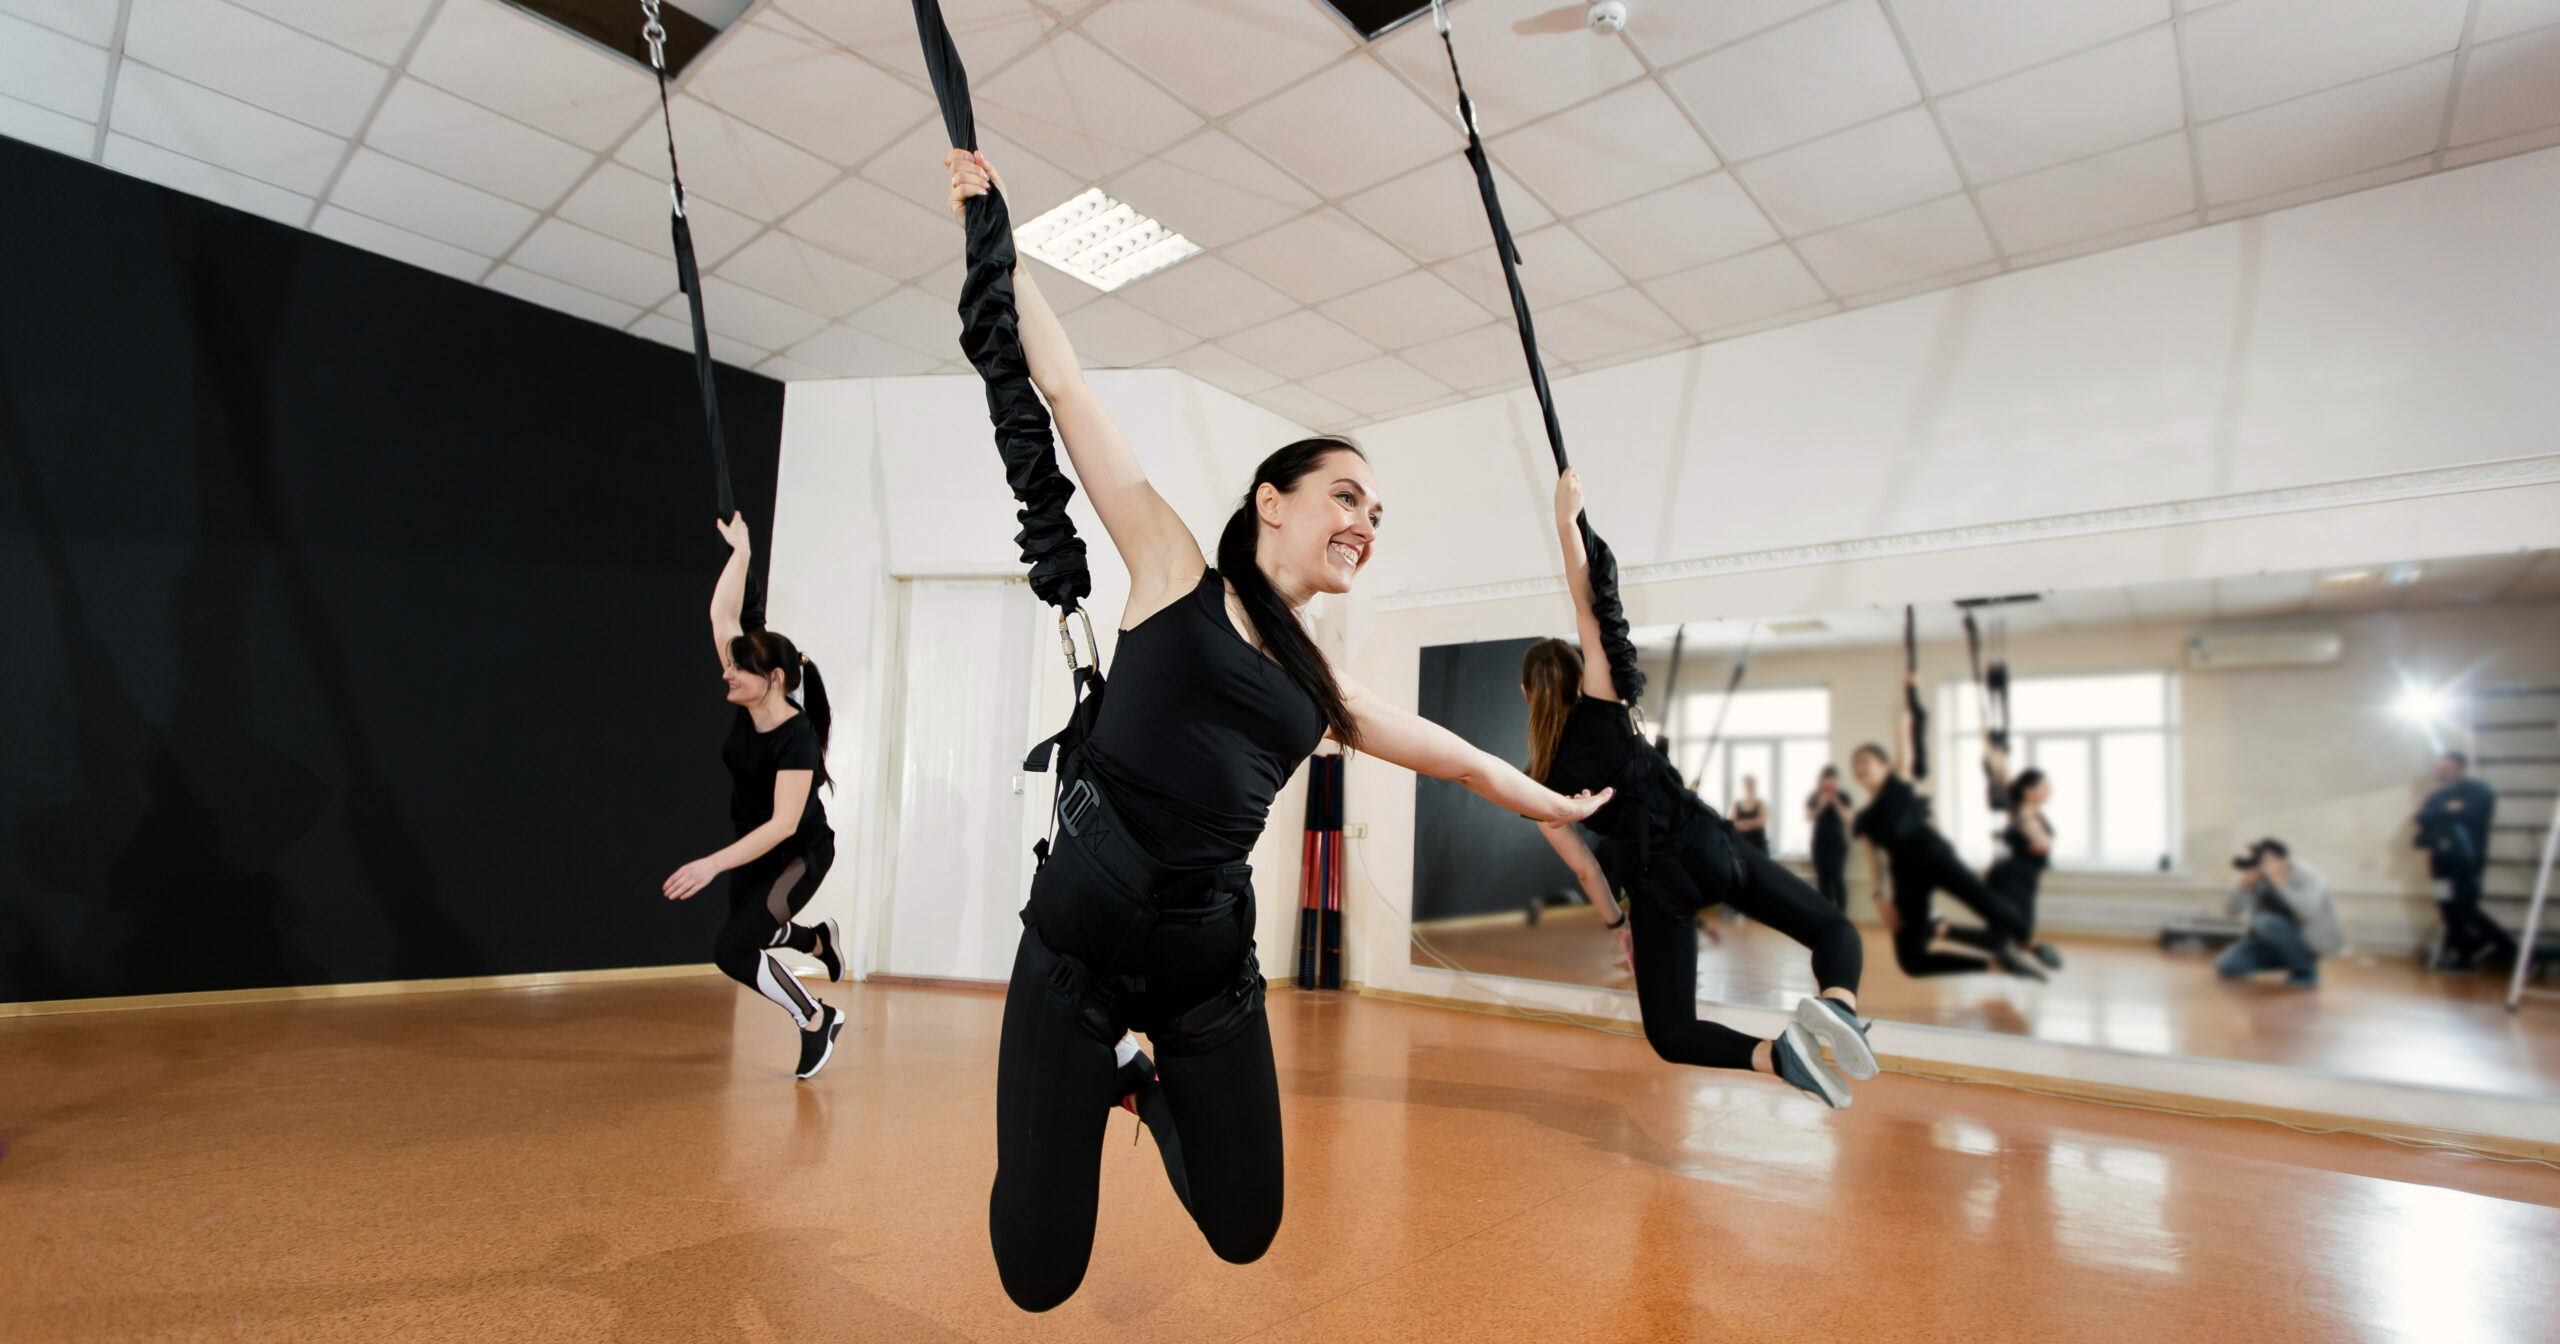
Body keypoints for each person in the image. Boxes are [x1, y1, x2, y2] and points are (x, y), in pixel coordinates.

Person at [946, 150, 1612, 1314]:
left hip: (1206, 971)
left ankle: (1145, 1086)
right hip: (1076, 953)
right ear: (1273, 501)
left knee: (1248, 1230)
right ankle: (1098, 1070)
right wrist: (994, 234)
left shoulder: (1322, 692)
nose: (1364, 521)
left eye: (1376, 513)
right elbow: (1069, 395)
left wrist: (1550, 802)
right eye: (1346, 496)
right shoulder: (1168, 567)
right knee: (1038, 1272)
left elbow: (1454, 756)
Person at [1525, 469, 1874, 1110]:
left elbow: (1584, 868)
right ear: (1576, 680)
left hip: (1656, 885)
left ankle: (1777, 1056)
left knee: (1671, 1031)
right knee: (1834, 932)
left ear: (1528, 697)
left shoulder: (1538, 784)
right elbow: (1588, 606)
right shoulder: (1602, 708)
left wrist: (1617, 926)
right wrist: (1566, 523)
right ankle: (1840, 1010)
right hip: (1711, 844)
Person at [662, 513, 847, 1080]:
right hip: (754, 847)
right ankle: (818, 940)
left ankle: (817, 1017)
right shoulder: (749, 693)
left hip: (798, 854)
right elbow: (722, 614)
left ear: (774, 679)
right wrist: (740, 550)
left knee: (734, 950)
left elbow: (783, 826)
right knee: (755, 932)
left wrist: (711, 864)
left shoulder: (795, 740)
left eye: (737, 671)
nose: (726, 675)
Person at [1849, 676, 2047, 982]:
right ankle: (1993, 965)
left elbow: (1903, 730)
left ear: (1885, 766)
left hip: (1934, 855)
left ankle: (2030, 943)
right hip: (1906, 876)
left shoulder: (1898, 783)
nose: (1861, 767)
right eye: (1856, 764)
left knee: (1987, 902)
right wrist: (1879, 899)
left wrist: (1908, 694)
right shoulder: (1862, 818)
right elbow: (1875, 862)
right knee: (1912, 961)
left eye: (1867, 761)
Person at [2416, 751, 2511, 971]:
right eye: (2439, 767)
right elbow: (2422, 818)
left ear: (2460, 768)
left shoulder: (2479, 791)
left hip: (2466, 862)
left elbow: (2473, 814)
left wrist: (2444, 813)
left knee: (2466, 908)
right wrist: (2449, 809)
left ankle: (2507, 949)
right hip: (2440, 863)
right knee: (2446, 907)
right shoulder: (2438, 796)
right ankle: (2464, 955)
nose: (2441, 772)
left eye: (2446, 767)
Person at [2217, 838, 2343, 986]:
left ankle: (2306, 970)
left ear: (2281, 860)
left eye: (2263, 860)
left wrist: (2280, 884)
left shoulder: (2307, 876)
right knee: (2228, 965)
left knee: (2265, 920)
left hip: (2306, 941)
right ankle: (2290, 959)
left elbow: (2307, 912)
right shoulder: (2259, 878)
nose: (2259, 864)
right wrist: (2243, 886)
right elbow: (2231, 912)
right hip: (2268, 941)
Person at [1983, 755, 2065, 971]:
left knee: (2019, 929)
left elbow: (2004, 769)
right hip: (2013, 879)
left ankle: (2016, 958)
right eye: (2044, 787)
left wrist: (1999, 750)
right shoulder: (2023, 813)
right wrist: (1991, 747)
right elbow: (2042, 845)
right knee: (2012, 929)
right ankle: (2011, 960)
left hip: (2024, 878)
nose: (2049, 791)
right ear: (2029, 791)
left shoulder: (2028, 810)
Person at [1805, 767, 1855, 913]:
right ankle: (1826, 916)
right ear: (1821, 780)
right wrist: (1822, 805)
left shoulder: (1843, 797)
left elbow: (1848, 820)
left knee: (1838, 880)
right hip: (1819, 844)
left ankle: (1841, 917)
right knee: (1822, 881)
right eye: (1826, 778)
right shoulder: (1814, 796)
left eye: (1832, 778)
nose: (1829, 781)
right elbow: (1808, 817)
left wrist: (1835, 802)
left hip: (1837, 845)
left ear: (1836, 780)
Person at [1730, 774, 1770, 854]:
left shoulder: (1761, 803)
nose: (1749, 787)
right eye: (1747, 784)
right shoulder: (1736, 804)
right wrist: (1752, 823)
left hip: (1759, 846)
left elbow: (1761, 822)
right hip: (1741, 846)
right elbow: (1732, 824)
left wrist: (1742, 824)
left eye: (1751, 784)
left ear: (1755, 786)